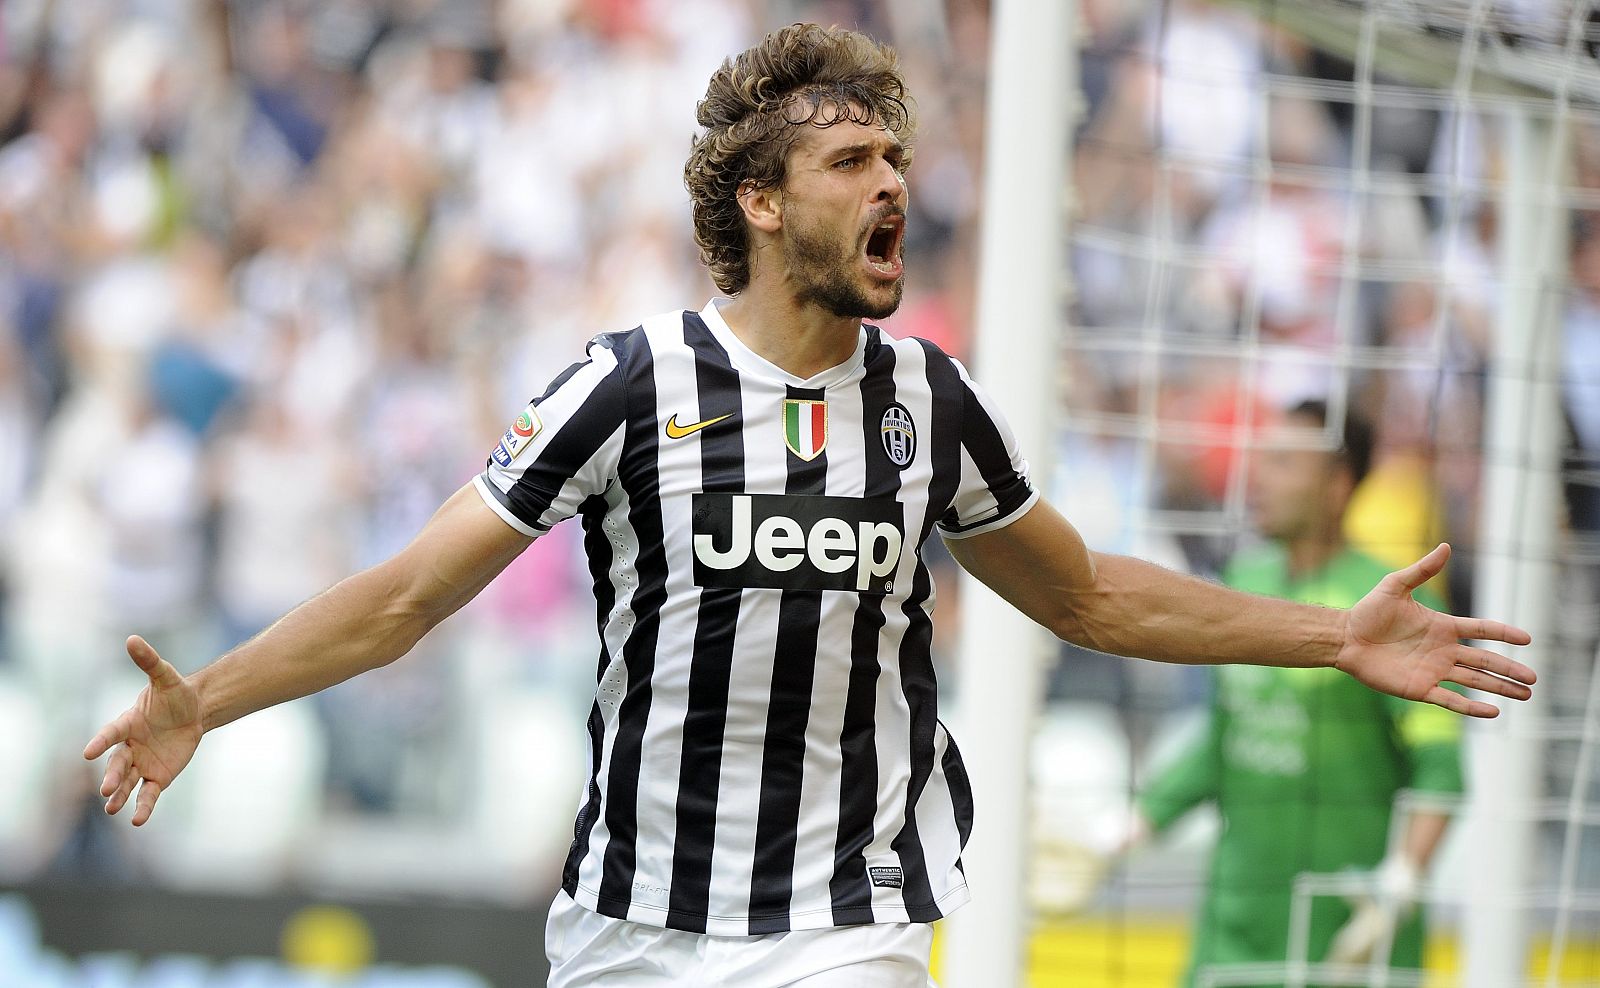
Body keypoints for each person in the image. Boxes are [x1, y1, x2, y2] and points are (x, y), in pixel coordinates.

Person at [83, 24, 1534, 988]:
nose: (892, 180)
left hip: (847, 921)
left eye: (897, 157)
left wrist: (1329, 636)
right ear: (763, 204)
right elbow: (405, 598)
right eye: (852, 162)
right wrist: (206, 698)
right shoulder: (625, 383)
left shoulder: (929, 404)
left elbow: (1090, 594)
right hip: (634, 922)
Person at [1134, 400, 1461, 987]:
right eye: (1262, 460)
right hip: (1236, 926)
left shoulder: (1395, 609)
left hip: (1349, 934)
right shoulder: (1243, 584)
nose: (1259, 478)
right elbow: (1224, 735)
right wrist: (1136, 823)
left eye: (1284, 464)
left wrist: (1403, 879)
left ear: (1337, 486)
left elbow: (1441, 766)